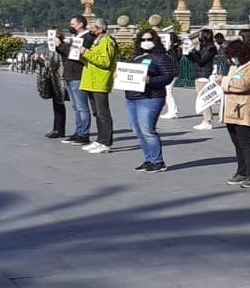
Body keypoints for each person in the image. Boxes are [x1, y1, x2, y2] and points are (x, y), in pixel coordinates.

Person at [125, 29, 174, 173]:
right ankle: (149, 160)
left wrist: (150, 80)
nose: (146, 42)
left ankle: (158, 162)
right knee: (138, 131)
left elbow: (168, 76)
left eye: (149, 39)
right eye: (143, 40)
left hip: (150, 97)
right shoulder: (136, 57)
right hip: (132, 98)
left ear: (155, 40)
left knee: (147, 130)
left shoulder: (161, 57)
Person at [217, 40, 250, 188]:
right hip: (232, 107)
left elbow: (244, 85)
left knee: (245, 142)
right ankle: (243, 170)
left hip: (244, 108)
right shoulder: (236, 66)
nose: (231, 59)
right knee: (237, 142)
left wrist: (224, 81)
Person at [79, 18, 118, 154]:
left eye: (93, 28)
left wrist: (86, 52)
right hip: (91, 81)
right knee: (97, 113)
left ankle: (106, 142)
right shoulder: (96, 41)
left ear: (100, 29)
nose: (90, 30)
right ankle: (100, 139)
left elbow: (105, 61)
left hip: (100, 81)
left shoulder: (107, 41)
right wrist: (80, 54)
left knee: (103, 113)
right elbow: (90, 58)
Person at [55, 15, 95, 145]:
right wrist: (58, 46)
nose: (70, 26)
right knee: (76, 106)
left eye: (73, 24)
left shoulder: (87, 38)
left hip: (78, 74)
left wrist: (61, 45)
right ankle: (78, 131)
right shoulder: (75, 38)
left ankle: (84, 134)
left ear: (80, 24)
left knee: (82, 106)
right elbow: (67, 54)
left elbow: (75, 55)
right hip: (69, 74)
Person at [32, 31, 67, 139]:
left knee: (60, 103)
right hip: (52, 79)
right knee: (57, 104)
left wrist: (40, 59)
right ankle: (57, 128)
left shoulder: (59, 48)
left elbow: (52, 64)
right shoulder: (49, 48)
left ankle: (59, 129)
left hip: (59, 79)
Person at [186, 29, 217, 130]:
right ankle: (205, 119)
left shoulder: (211, 48)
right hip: (199, 73)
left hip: (204, 74)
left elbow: (201, 61)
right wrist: (189, 53)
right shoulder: (203, 47)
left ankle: (207, 120)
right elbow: (196, 59)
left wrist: (194, 51)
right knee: (201, 97)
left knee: (204, 98)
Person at [161, 32, 183, 120]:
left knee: (168, 92)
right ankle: (172, 110)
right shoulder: (174, 49)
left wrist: (169, 49)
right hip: (172, 71)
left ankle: (173, 111)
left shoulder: (174, 49)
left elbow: (174, 59)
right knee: (167, 92)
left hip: (172, 72)